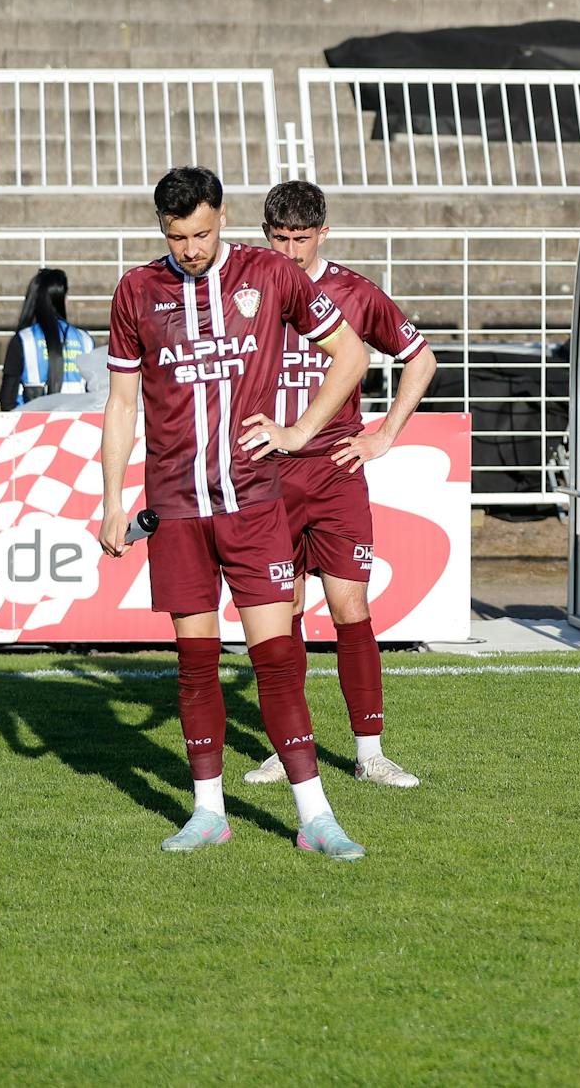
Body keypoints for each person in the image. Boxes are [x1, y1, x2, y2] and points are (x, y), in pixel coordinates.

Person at [99, 166, 371, 859]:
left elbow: (351, 354)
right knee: (194, 663)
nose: (190, 247)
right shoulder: (137, 290)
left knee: (276, 659)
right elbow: (123, 403)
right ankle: (208, 811)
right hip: (178, 509)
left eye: (201, 232)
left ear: (222, 217)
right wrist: (111, 501)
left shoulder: (270, 274)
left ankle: (315, 816)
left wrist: (300, 431)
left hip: (252, 504)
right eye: (176, 235)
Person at [241, 180, 438, 790]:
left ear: (324, 232)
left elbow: (421, 358)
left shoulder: (356, 292)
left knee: (351, 607)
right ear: (265, 233)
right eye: (279, 238)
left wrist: (384, 435)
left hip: (334, 472)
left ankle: (370, 752)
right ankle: (287, 746)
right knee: (284, 610)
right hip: (267, 474)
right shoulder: (245, 291)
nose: (291, 251)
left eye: (302, 238)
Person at [0, 269, 95, 409]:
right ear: (63, 299)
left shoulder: (24, 339)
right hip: (76, 424)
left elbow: (7, 398)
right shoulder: (85, 340)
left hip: (31, 425)